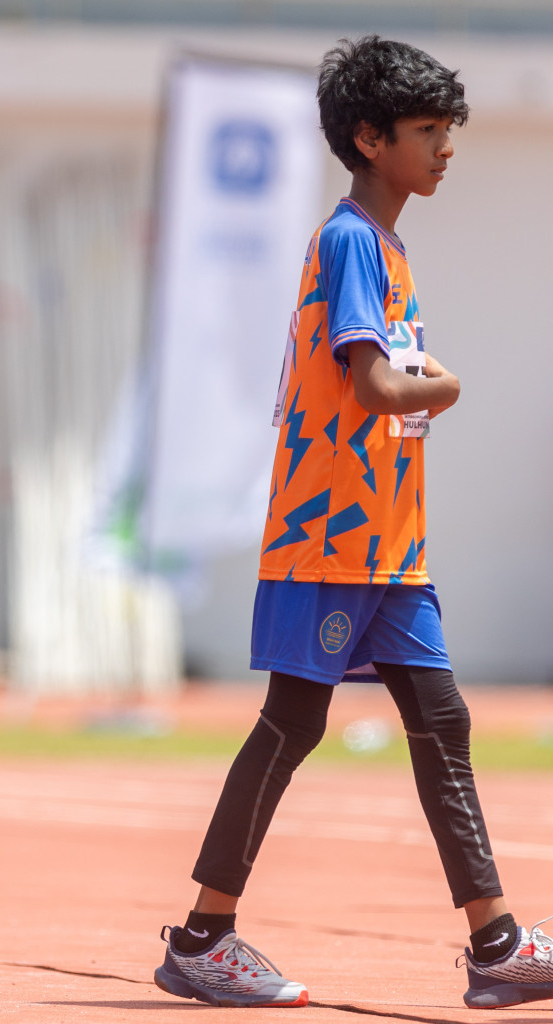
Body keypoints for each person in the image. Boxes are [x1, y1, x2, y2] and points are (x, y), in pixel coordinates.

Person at [154, 36, 553, 1011]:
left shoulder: (387, 246)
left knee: (440, 722)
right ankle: (203, 938)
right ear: (370, 139)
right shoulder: (349, 242)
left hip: (387, 542)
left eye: (448, 130)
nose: (445, 147)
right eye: (428, 131)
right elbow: (376, 383)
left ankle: (496, 944)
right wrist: (443, 382)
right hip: (331, 538)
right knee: (293, 723)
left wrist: (419, 386)